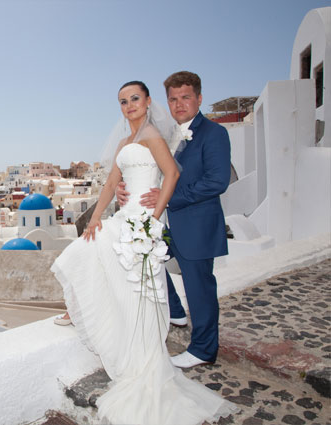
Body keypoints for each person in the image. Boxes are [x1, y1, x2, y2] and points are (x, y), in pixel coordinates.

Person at [50, 80, 237, 425]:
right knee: (130, 270)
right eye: (123, 101)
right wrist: (97, 215)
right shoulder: (132, 140)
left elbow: (177, 175)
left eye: (135, 98)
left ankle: (195, 348)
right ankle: (97, 310)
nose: (129, 105)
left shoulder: (166, 135)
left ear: (148, 101)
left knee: (180, 281)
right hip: (136, 214)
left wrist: (153, 214)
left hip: (159, 218)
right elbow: (113, 182)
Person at [116, 71, 231, 369]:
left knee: (200, 288)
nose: (179, 105)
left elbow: (217, 182)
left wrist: (169, 199)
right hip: (164, 225)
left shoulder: (214, 133)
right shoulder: (165, 135)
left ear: (199, 98)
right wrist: (124, 185)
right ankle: (176, 311)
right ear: (166, 102)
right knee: (148, 263)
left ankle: (204, 349)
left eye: (186, 97)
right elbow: (152, 171)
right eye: (173, 99)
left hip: (196, 225)